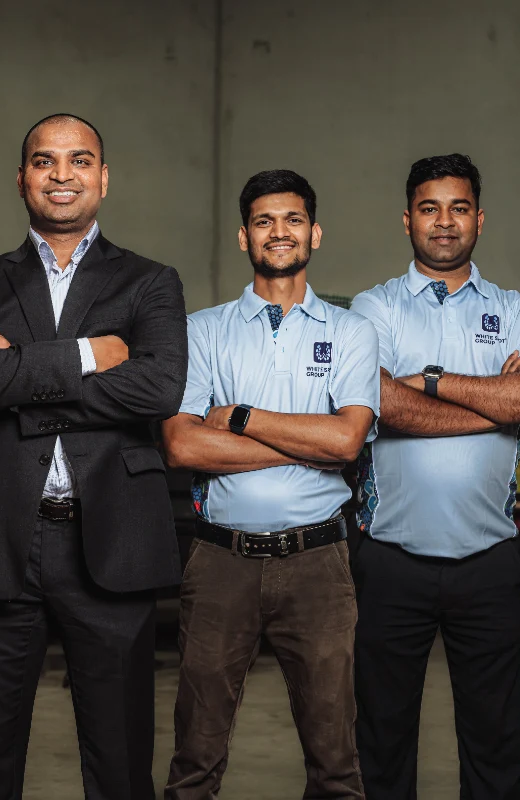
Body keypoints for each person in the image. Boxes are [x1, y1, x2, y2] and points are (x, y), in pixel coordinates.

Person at [0, 113, 188, 800]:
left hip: (113, 537)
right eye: (45, 162)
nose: (62, 175)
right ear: (22, 180)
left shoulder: (151, 282)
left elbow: (159, 387)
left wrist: (11, 374)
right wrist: (89, 356)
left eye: (79, 161)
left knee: (120, 761)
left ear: (102, 177)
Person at [349, 153, 520, 800]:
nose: (445, 222)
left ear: (480, 218)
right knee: (382, 742)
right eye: (430, 208)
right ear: (407, 219)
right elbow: (381, 404)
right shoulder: (374, 308)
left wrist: (435, 380)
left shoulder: (517, 309)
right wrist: (496, 400)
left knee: (495, 743)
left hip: (489, 562)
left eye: (459, 207)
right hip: (389, 558)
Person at [162, 170, 376, 800]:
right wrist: (302, 443)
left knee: (337, 762)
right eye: (263, 221)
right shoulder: (202, 330)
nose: (278, 232)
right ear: (243, 236)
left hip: (319, 565)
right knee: (194, 757)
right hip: (220, 560)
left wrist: (244, 418)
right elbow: (181, 444)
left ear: (314, 232)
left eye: (291, 220)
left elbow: (346, 443)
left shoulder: (351, 331)